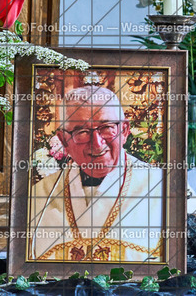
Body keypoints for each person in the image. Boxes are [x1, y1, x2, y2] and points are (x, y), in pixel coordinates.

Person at [29, 86, 164, 262]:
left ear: (124, 131)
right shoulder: (38, 197)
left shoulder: (161, 188)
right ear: (64, 140)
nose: (97, 143)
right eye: (82, 132)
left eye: (107, 127)